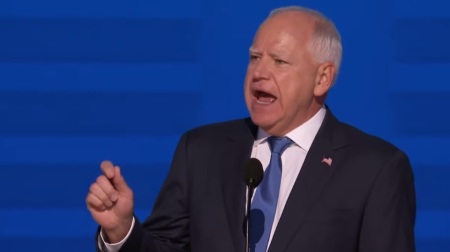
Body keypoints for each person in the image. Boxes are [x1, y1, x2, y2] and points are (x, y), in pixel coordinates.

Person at [86, 5, 416, 252]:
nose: (259, 72)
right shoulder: (201, 151)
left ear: (322, 78)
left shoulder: (376, 168)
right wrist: (122, 230)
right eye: (255, 57)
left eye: (279, 61)